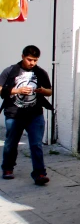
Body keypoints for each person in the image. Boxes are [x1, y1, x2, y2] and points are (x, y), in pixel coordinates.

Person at [0, 45, 53, 185]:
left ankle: (40, 173)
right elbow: (0, 90)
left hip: (35, 115)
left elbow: (49, 91)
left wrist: (42, 90)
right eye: (30, 59)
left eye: (35, 60)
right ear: (23, 56)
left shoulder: (41, 72)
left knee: (36, 144)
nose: (32, 63)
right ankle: (7, 168)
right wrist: (17, 91)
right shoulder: (10, 71)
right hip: (14, 114)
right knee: (11, 143)